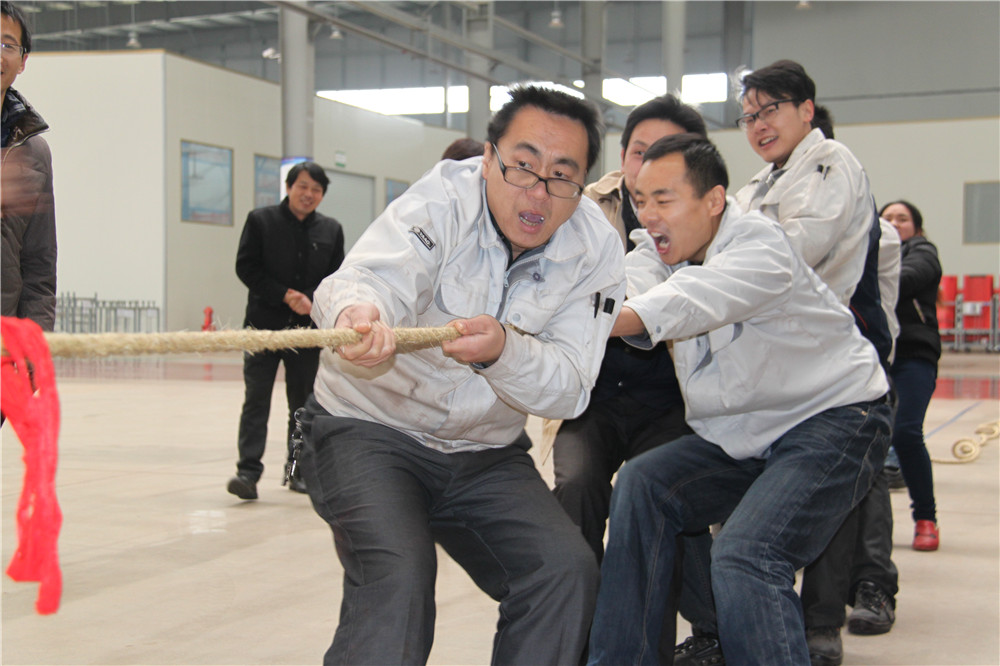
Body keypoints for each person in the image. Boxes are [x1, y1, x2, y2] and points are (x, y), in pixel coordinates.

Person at [297, 85, 625, 666]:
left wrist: (504, 353)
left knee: (564, 572)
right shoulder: (443, 198)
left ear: (582, 185)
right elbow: (376, 276)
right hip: (368, 426)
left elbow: (571, 388)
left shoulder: (595, 248)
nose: (538, 192)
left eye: (561, 176)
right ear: (489, 158)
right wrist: (358, 314)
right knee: (399, 578)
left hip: (485, 452)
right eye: (523, 166)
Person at [587, 133, 891, 666]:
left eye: (664, 199)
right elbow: (627, 287)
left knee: (748, 554)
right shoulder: (657, 252)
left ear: (713, 200)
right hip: (744, 434)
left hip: (836, 419)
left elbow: (689, 300)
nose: (649, 215)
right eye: (640, 200)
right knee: (644, 484)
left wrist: (591, 324)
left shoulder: (760, 245)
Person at [543, 94, 720, 664]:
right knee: (575, 485)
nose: (648, 165)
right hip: (594, 394)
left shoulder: (713, 223)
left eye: (665, 152)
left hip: (672, 400)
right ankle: (577, 635)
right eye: (640, 150)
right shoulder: (578, 208)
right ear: (622, 155)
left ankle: (657, 645)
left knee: (650, 502)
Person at [226, 162, 344, 500]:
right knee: (256, 400)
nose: (309, 194)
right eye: (302, 186)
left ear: (322, 195)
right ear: (289, 187)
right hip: (262, 328)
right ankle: (247, 474)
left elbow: (336, 276)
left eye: (316, 190)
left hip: (306, 332)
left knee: (302, 405)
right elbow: (246, 267)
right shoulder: (260, 221)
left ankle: (297, 473)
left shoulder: (331, 230)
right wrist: (282, 294)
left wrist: (309, 298)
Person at [881, 199, 942, 550]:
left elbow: (908, 279)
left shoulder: (923, 252)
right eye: (887, 217)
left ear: (916, 228)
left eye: (902, 218)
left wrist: (869, 277)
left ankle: (925, 518)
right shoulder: (867, 253)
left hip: (913, 356)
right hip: (875, 357)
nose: (894, 222)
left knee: (905, 432)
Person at [1, 0, 56, 331]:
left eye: (7, 45)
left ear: (22, 61)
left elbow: (38, 267)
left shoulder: (33, 152)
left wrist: (37, 342)